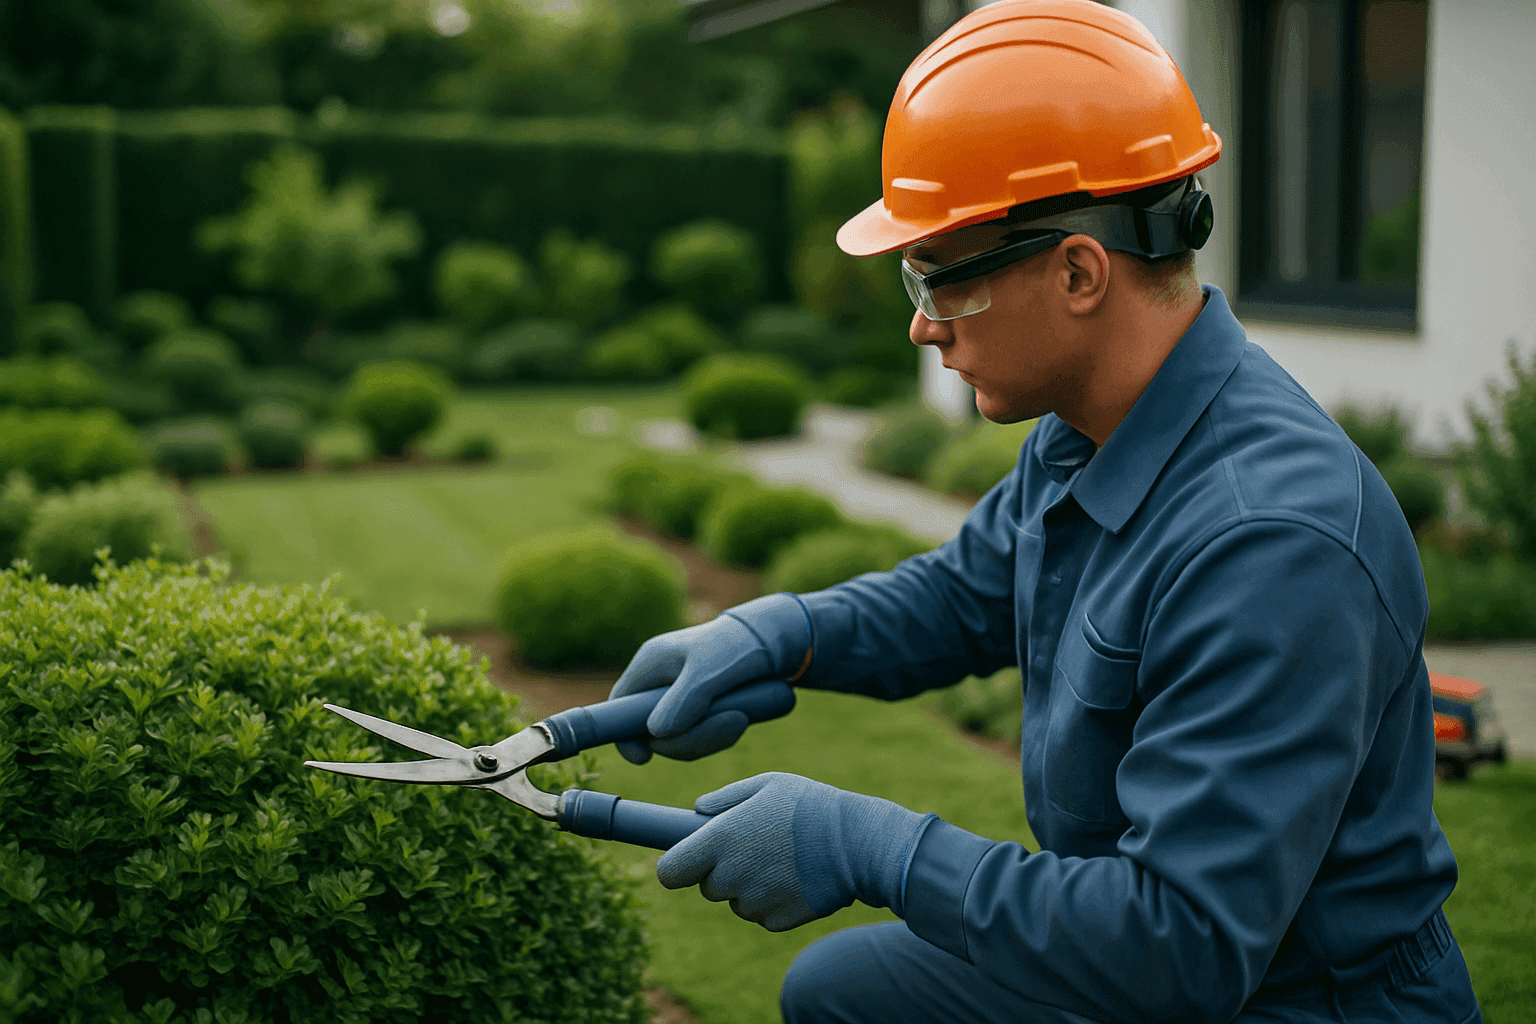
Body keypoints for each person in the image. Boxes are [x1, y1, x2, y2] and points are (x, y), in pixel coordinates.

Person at [606, 1, 1483, 1021]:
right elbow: (969, 594)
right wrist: (783, 634)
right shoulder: (1088, 427)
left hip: (1286, 996)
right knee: (840, 992)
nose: (921, 326)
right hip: (1131, 939)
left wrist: (869, 845)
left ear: (1078, 271)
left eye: (941, 280)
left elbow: (1180, 949)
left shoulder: (1271, 544)